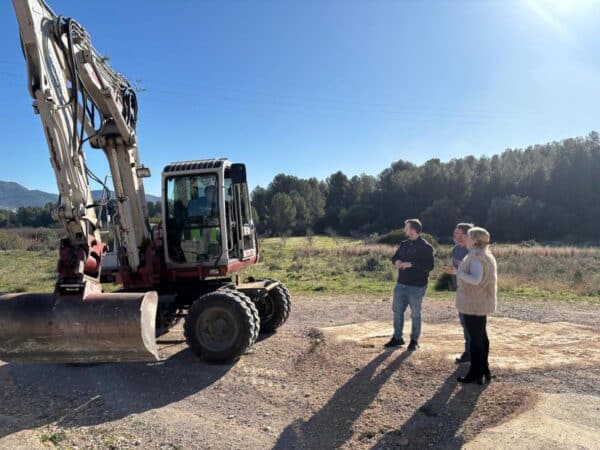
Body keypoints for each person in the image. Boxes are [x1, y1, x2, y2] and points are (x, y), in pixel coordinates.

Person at [444, 227, 497, 384]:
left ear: (475, 240)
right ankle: (484, 370)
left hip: (474, 302)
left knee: (476, 340)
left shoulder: (476, 257)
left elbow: (475, 280)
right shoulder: (484, 255)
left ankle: (475, 374)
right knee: (481, 337)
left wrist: (457, 272)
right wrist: (457, 271)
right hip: (480, 302)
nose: (464, 239)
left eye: (467, 237)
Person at [385, 219, 435, 351]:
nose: (404, 230)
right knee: (397, 311)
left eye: (406, 228)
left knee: (415, 314)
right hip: (401, 284)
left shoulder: (426, 247)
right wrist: (397, 262)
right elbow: (394, 257)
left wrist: (411, 264)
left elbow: (429, 266)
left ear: (413, 230)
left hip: (417, 286)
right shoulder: (404, 244)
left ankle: (414, 341)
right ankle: (397, 338)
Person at [451, 223, 474, 364]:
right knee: (464, 323)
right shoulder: (455, 249)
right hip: (461, 290)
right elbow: (456, 268)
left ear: (466, 235)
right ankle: (468, 352)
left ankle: (476, 354)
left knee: (474, 325)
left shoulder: (475, 251)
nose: (455, 235)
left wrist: (459, 268)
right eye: (455, 232)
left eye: (458, 233)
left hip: (474, 292)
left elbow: (476, 273)